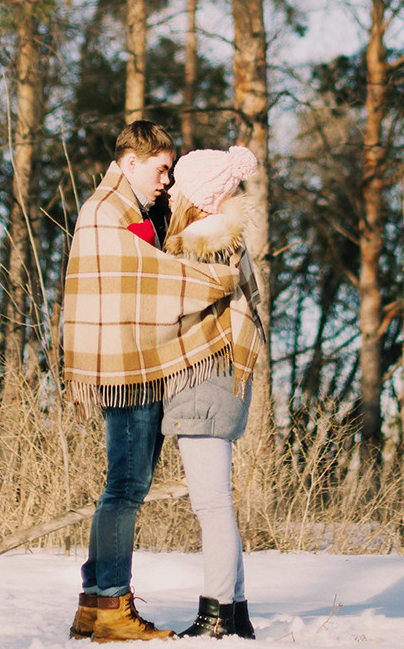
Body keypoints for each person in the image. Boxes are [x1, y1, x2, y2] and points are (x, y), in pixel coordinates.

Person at [62, 122, 262, 642]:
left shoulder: (141, 212)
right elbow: (151, 281)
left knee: (132, 488)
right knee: (126, 488)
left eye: (172, 173)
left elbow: (156, 276)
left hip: (147, 365)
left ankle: (96, 603)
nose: (166, 181)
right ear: (130, 162)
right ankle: (111, 605)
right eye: (161, 169)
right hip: (128, 365)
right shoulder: (107, 213)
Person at [160, 146, 266, 640]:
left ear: (195, 195)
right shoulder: (225, 243)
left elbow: (165, 312)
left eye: (177, 185)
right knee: (217, 502)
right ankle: (236, 610)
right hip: (221, 381)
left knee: (211, 504)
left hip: (202, 381)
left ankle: (216, 614)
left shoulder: (198, 248)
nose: (170, 192)